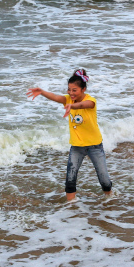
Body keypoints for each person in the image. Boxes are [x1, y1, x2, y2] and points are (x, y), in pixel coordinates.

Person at [27, 69, 112, 201]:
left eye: (74, 90)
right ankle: (71, 207)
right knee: (70, 178)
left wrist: (72, 107)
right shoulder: (67, 99)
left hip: (94, 145)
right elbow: (56, 97)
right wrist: (42, 92)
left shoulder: (91, 101)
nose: (70, 93)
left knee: (104, 178)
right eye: (69, 89)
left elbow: (85, 104)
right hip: (77, 146)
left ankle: (110, 200)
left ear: (83, 89)